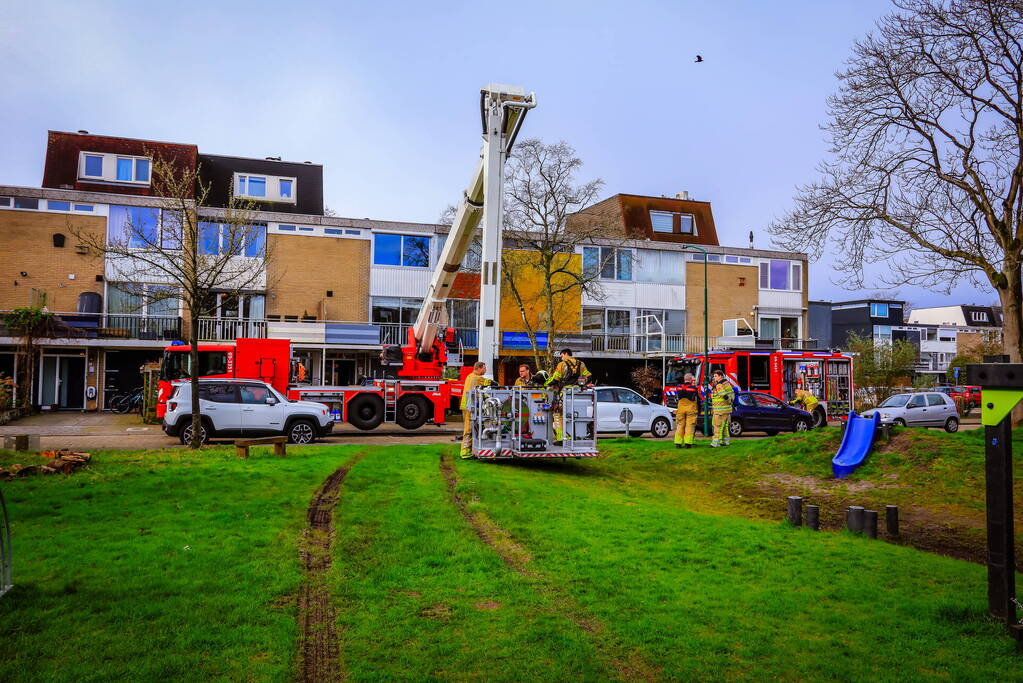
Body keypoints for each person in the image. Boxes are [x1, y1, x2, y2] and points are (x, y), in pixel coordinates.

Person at [544, 349, 592, 443]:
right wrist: (581, 384)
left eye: (562, 356)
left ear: (566, 354)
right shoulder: (581, 364)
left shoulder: (562, 364)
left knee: (558, 414)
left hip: (565, 394)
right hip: (578, 395)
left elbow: (555, 380)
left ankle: (561, 439)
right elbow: (589, 377)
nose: (561, 358)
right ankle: (574, 436)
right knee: (575, 416)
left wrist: (546, 383)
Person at [460, 361, 492, 458]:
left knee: (471, 428)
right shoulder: (477, 378)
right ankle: (464, 452)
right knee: (469, 429)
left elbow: (477, 392)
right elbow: (489, 382)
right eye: (484, 368)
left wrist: (486, 396)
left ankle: (469, 450)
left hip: (467, 406)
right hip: (470, 407)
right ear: (479, 368)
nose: (485, 370)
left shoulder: (470, 376)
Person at [709, 369, 735, 448]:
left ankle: (715, 443)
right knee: (724, 426)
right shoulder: (727, 383)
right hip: (727, 409)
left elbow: (724, 395)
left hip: (719, 409)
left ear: (720, 376)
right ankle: (726, 441)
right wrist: (729, 402)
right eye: (714, 376)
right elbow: (730, 395)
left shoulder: (719, 385)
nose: (714, 377)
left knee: (717, 426)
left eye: (716, 376)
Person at [673, 373, 700, 449]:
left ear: (684, 379)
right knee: (689, 426)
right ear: (691, 380)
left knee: (680, 425)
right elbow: (694, 398)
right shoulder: (693, 388)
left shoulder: (678, 387)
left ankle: (678, 443)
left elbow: (677, 397)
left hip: (681, 408)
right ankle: (688, 443)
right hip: (691, 409)